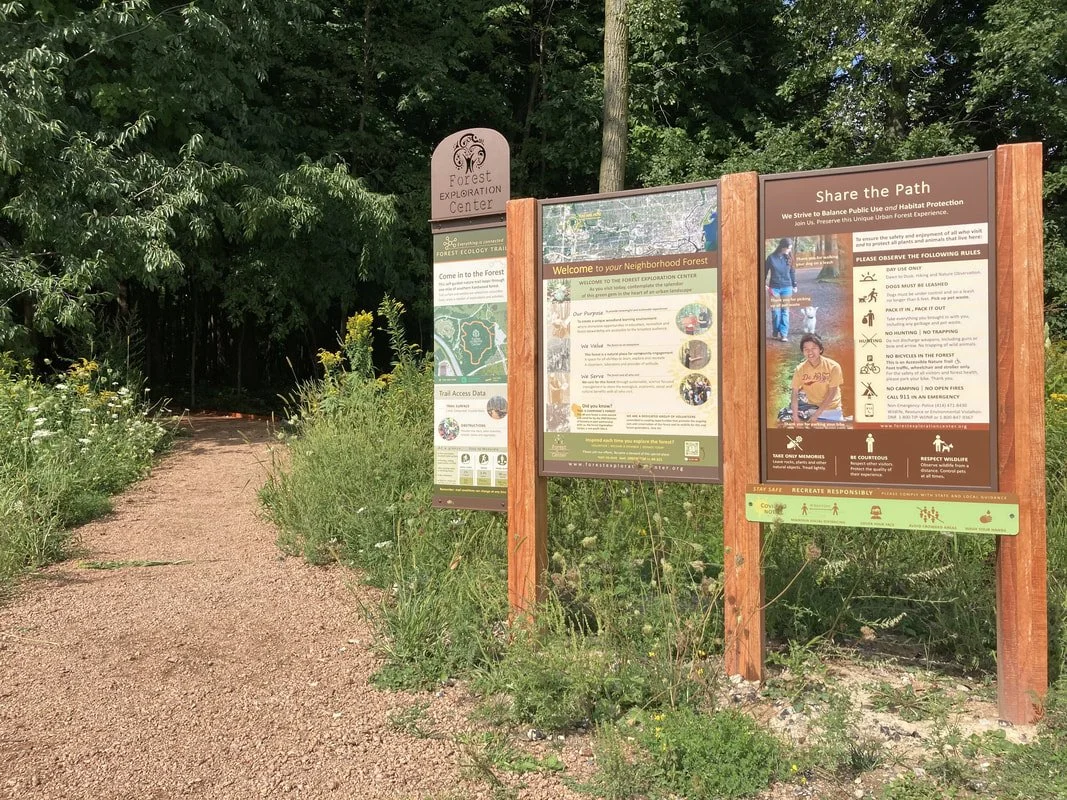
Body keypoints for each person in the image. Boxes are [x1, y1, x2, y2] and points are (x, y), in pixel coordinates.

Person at [791, 334, 844, 423]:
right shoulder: (800, 369)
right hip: (813, 407)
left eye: (813, 348)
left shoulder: (833, 367)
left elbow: (832, 393)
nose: (810, 352)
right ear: (803, 352)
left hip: (833, 410)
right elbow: (794, 393)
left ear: (820, 349)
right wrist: (795, 415)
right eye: (806, 349)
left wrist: (816, 415)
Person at [765, 238, 796, 341]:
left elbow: (792, 272)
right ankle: (775, 330)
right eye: (788, 248)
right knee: (775, 312)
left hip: (787, 287)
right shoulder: (771, 258)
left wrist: (794, 284)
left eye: (790, 248)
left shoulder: (790, 257)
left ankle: (784, 334)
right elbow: (763, 272)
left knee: (785, 311)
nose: (789, 250)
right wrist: (764, 284)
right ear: (782, 247)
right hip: (774, 288)